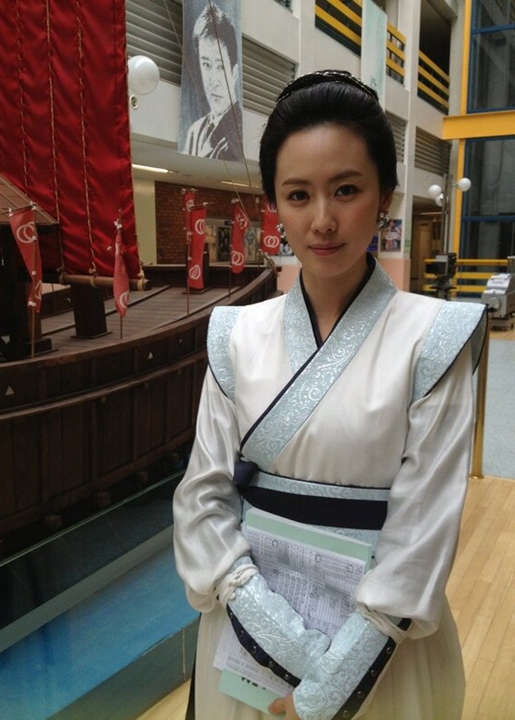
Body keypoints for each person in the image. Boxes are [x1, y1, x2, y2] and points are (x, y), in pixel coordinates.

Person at [173, 69, 487, 720]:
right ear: (275, 205)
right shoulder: (234, 335)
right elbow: (202, 500)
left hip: (381, 649)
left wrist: (328, 686)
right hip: (248, 636)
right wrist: (283, 641)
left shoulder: (436, 337)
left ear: (384, 196)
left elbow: (422, 530)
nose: (322, 220)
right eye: (298, 195)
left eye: (346, 189)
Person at [184, 3, 242, 161]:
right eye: (206, 65)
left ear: (234, 73)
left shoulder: (238, 133)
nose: (213, 81)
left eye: (220, 67)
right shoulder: (195, 131)